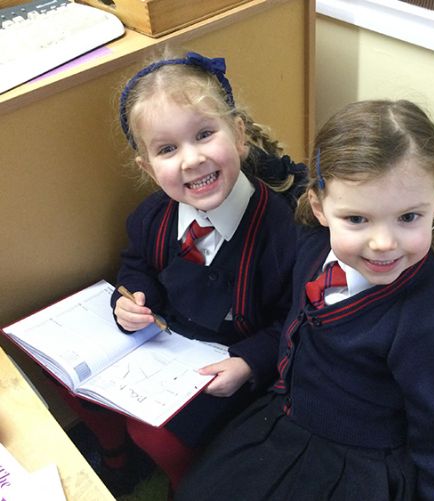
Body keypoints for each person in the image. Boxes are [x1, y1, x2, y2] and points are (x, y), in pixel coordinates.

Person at [175, 99, 434, 501]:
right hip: (280, 423)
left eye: (409, 217)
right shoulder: (310, 244)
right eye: (357, 219)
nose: (383, 243)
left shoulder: (433, 321)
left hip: (356, 470)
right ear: (319, 208)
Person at [56, 47, 306, 496]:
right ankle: (117, 458)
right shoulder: (152, 216)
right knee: (70, 378)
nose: (191, 160)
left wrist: (249, 362)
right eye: (168, 149)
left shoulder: (280, 231)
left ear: (239, 135)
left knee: (156, 434)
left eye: (204, 134)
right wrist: (132, 297)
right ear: (148, 168)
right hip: (162, 343)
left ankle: (187, 484)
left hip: (230, 364)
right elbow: (136, 266)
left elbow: (295, 318)